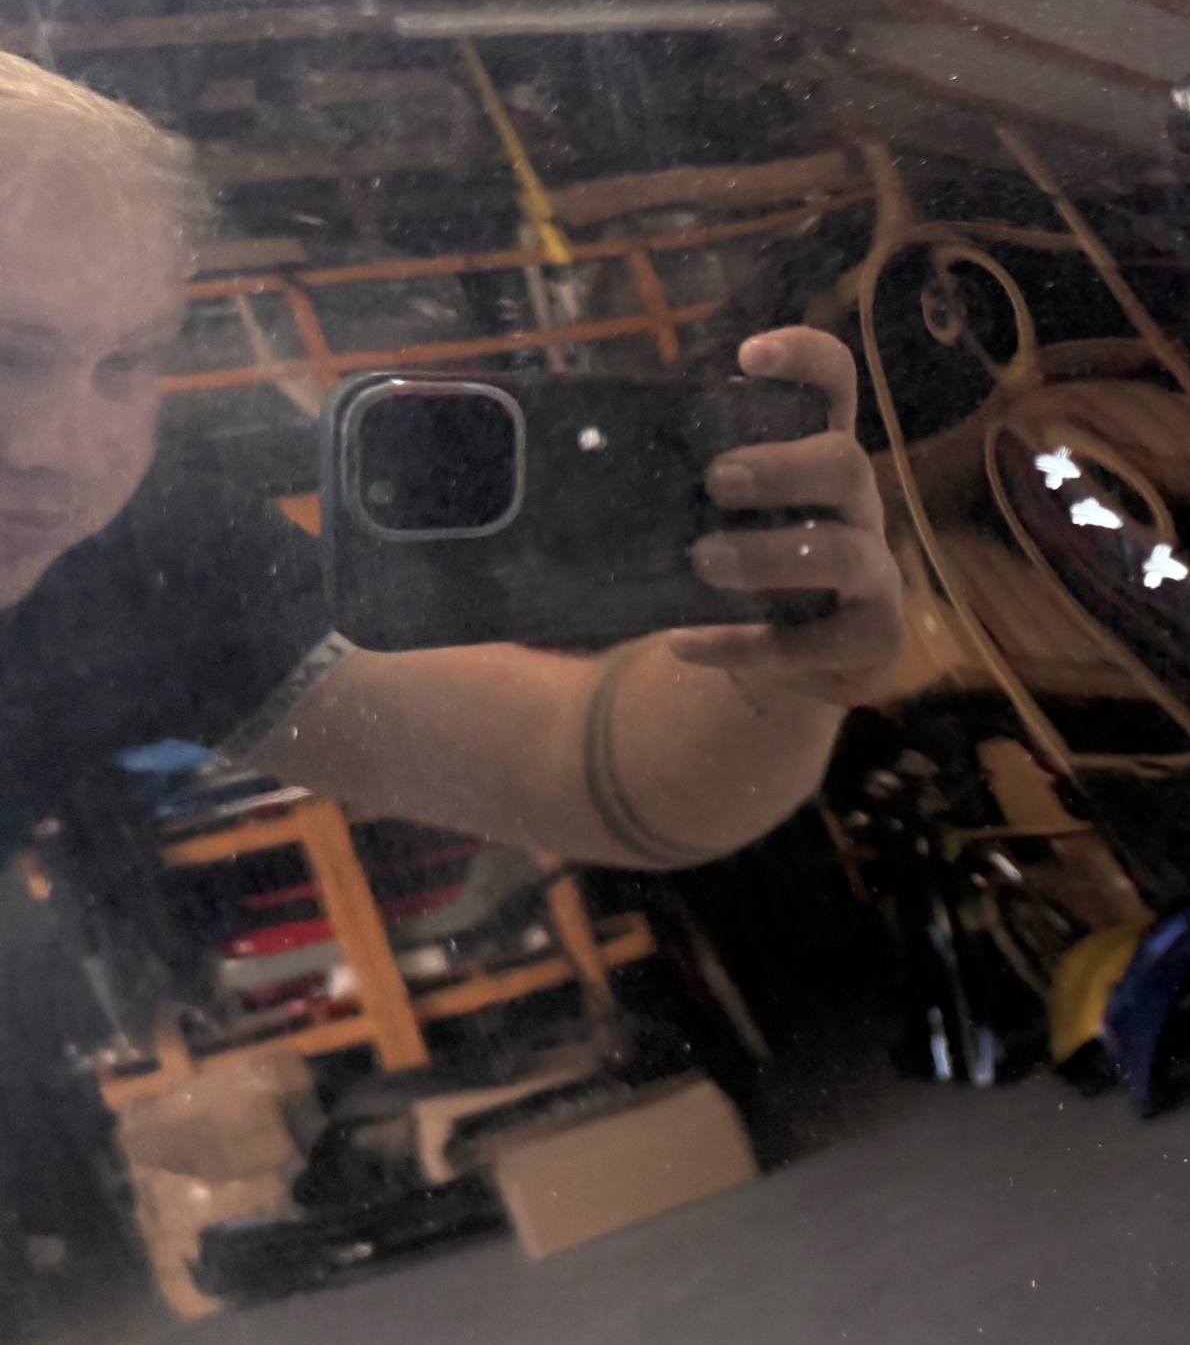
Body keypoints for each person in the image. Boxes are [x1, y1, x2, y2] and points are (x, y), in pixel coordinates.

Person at [0, 52, 903, 867]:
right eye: (6, 355)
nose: (61, 452)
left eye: (127, 361)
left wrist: (778, 653)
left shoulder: (148, 560)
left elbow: (573, 767)